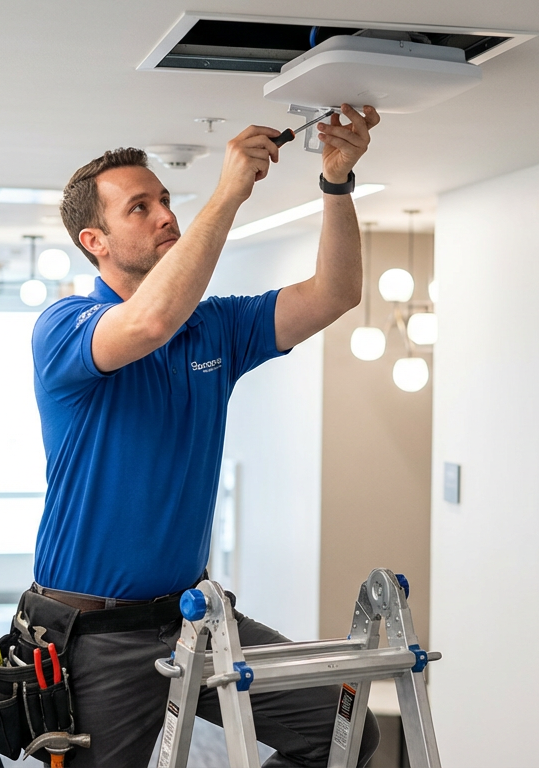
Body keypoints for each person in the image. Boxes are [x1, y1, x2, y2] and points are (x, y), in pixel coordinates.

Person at [25, 104, 382, 768]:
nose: (165, 214)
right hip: (95, 635)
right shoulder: (66, 327)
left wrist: (335, 184)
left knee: (344, 730)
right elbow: (151, 320)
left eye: (164, 199)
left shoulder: (213, 329)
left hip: (194, 616)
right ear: (94, 241)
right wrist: (227, 193)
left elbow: (336, 292)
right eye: (139, 208)